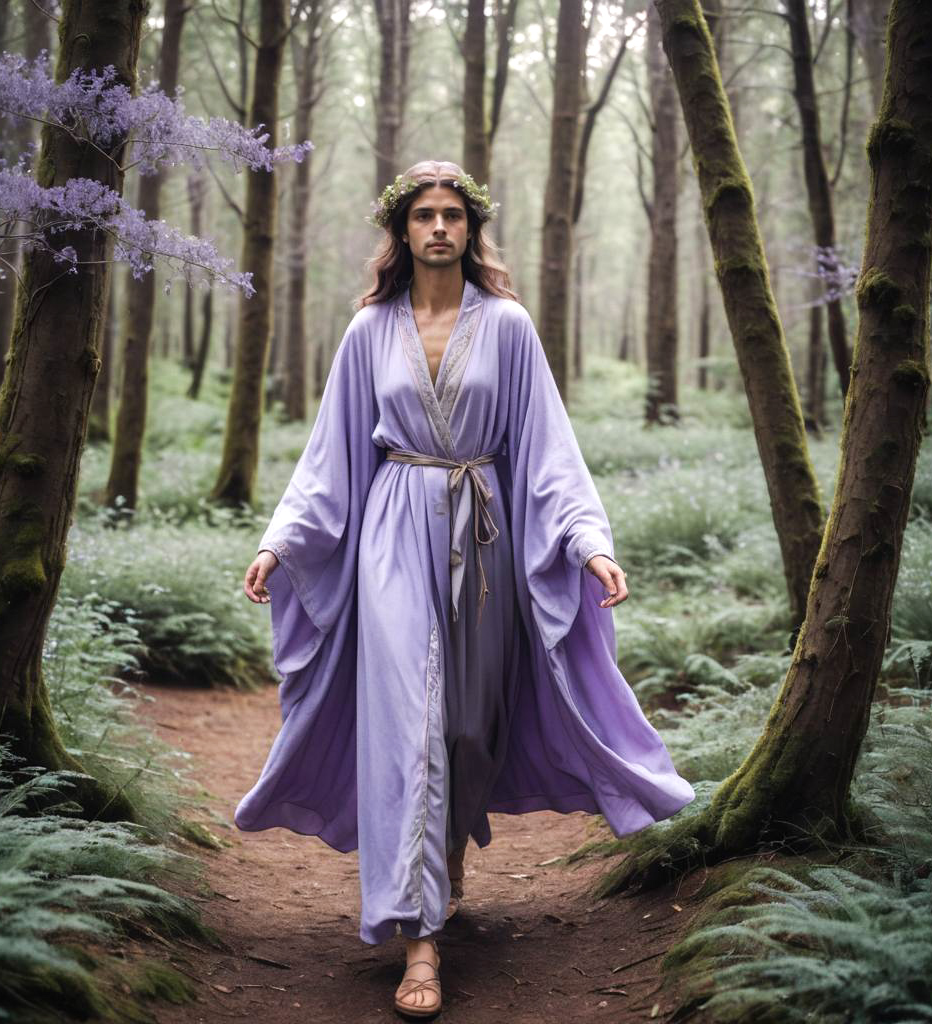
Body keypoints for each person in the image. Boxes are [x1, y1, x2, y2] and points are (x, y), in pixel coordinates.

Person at [236, 159, 695, 1019]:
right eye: (423, 215)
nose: (438, 227)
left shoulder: (511, 327)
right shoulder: (368, 332)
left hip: (484, 537)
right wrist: (280, 542)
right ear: (401, 231)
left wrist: (588, 543)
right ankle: (418, 943)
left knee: (470, 727)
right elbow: (330, 456)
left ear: (471, 229)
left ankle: (446, 848)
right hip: (394, 535)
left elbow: (548, 448)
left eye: (452, 214)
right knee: (409, 720)